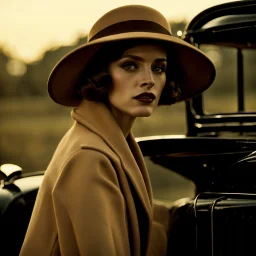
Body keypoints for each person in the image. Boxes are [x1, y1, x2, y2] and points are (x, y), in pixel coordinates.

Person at [19, 4, 215, 256]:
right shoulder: (89, 156)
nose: (149, 80)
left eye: (158, 68)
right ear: (101, 74)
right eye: (130, 65)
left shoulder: (109, 139)